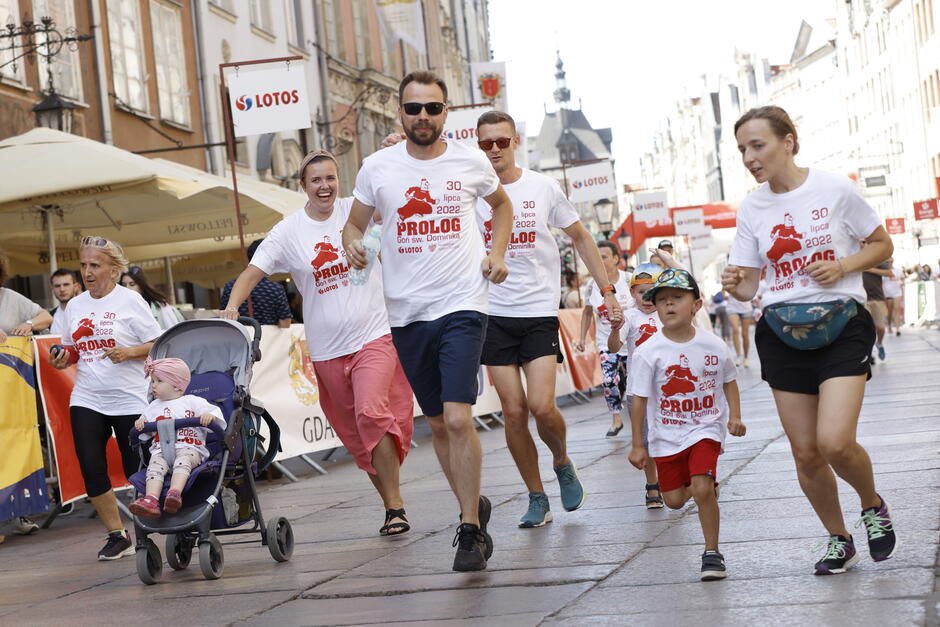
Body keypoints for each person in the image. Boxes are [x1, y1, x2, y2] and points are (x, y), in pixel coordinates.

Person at [343, 71, 513, 572]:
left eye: (433, 108)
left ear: (446, 113)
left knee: (458, 418)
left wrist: (497, 253)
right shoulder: (377, 168)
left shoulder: (469, 160)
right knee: (438, 423)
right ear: (401, 112)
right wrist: (353, 244)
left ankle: (470, 529)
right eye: (414, 108)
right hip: (406, 313)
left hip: (462, 302)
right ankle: (471, 503)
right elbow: (354, 224)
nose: (423, 116)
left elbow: (501, 207)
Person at [723, 106, 897, 575]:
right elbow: (748, 287)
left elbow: (882, 244)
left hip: (841, 323)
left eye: (757, 145)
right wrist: (733, 282)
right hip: (780, 331)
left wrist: (842, 266)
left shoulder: (834, 188)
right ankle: (839, 538)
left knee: (835, 442)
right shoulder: (752, 207)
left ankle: (872, 505)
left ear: (788, 142)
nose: (749, 157)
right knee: (805, 452)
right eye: (741, 149)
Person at [222, 149, 415, 537]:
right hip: (327, 350)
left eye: (330, 178)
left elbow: (402, 195)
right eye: (316, 180)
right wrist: (230, 307)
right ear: (303, 186)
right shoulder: (289, 231)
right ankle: (390, 504)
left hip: (374, 335)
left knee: (372, 413)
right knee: (356, 436)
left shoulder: (358, 210)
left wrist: (398, 153)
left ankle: (395, 506)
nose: (324, 186)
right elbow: (253, 272)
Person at [472, 110, 623, 528]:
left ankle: (561, 461)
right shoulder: (470, 193)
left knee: (541, 407)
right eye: (486, 143)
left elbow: (581, 237)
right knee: (513, 411)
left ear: (515, 141)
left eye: (502, 141)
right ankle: (536, 495)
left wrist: (607, 290)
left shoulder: (541, 187)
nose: (495, 149)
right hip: (493, 312)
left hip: (537, 310)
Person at [48, 236, 162, 560]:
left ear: (113, 270)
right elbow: (72, 349)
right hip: (87, 396)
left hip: (128, 398)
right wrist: (62, 358)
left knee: (135, 468)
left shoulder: (130, 301)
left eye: (95, 265)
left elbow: (158, 343)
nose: (87, 272)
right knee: (91, 466)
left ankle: (147, 530)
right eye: (83, 265)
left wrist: (129, 352)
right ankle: (117, 535)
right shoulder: (76, 305)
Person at [628, 268, 746, 581]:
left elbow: (729, 380)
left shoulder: (714, 345)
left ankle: (712, 553)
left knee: (702, 486)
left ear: (696, 304)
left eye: (677, 297)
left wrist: (734, 416)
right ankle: (704, 487)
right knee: (674, 501)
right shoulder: (648, 352)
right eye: (662, 299)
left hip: (705, 428)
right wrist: (638, 444)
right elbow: (638, 400)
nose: (668, 304)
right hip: (666, 437)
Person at [128, 357, 226, 518]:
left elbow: (216, 417)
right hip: (160, 451)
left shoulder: (193, 402)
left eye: (159, 381)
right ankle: (151, 499)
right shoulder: (152, 407)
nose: (153, 385)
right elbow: (145, 434)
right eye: (152, 381)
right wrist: (141, 423)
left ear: (176, 385)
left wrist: (210, 417)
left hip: (190, 448)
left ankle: (174, 494)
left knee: (183, 461)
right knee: (154, 468)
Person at [0, 248, 53, 540]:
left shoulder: (11, 298)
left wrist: (29, 324)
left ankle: (17, 510)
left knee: (14, 444)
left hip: (13, 391)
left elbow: (45, 316)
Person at [607, 263, 666, 509]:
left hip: (668, 389)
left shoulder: (669, 312)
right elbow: (613, 347)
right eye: (642, 292)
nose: (647, 298)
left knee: (672, 436)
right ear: (632, 293)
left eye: (653, 291)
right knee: (646, 440)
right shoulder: (630, 316)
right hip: (638, 390)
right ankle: (652, 484)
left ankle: (675, 478)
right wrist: (615, 329)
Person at [576, 240, 632, 437]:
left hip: (631, 342)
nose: (600, 261)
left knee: (630, 381)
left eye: (605, 257)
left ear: (616, 259)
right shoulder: (592, 285)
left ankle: (636, 411)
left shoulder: (629, 280)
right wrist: (581, 338)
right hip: (605, 341)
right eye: (597, 258)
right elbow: (587, 313)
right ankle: (616, 419)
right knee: (608, 380)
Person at [220, 240, 292, 328]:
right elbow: (285, 323)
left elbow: (224, 316)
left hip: (239, 334)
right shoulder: (276, 289)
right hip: (268, 335)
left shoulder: (230, 286)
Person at [120, 266, 184, 331]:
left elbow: (173, 332)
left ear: (141, 286)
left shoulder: (160, 307)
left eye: (132, 284)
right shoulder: (119, 308)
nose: (127, 288)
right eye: (124, 285)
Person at [861, 248, 892, 362]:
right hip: (861, 298)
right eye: (860, 241)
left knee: (880, 327)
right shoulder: (853, 256)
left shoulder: (875, 257)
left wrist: (869, 269)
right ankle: (868, 353)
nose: (862, 244)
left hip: (876, 297)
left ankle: (879, 343)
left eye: (864, 242)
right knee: (865, 328)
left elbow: (889, 273)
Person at [48, 269, 83, 336]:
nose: (62, 289)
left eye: (66, 285)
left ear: (76, 287)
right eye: (57, 286)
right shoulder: (49, 316)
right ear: (52, 289)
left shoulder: (87, 312)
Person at [724, 288, 754, 367]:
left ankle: (746, 358)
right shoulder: (729, 279)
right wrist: (726, 294)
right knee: (735, 330)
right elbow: (723, 291)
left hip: (746, 308)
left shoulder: (746, 280)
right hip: (732, 307)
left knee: (745, 334)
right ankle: (738, 356)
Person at [882, 261, 902, 335]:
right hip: (887, 294)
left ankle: (898, 329)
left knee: (897, 309)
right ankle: (889, 325)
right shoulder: (883, 272)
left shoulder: (898, 271)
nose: (889, 263)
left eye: (890, 262)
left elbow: (902, 279)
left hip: (897, 293)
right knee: (889, 311)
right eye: (887, 262)